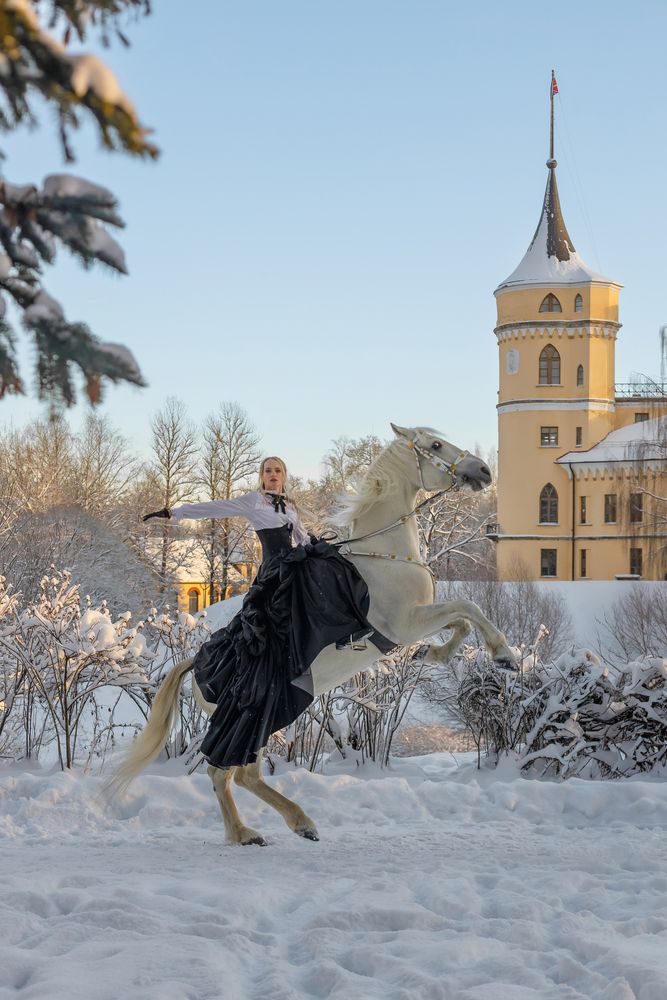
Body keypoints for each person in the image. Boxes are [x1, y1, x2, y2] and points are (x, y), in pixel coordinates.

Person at [142, 456, 377, 769]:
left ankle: (347, 633)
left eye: (278, 470)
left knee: (332, 570)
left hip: (294, 565)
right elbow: (216, 507)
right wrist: (175, 513)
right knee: (270, 627)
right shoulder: (253, 501)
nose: (273, 474)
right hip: (273, 574)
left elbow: (301, 538)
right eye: (268, 470)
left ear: (284, 475)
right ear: (262, 476)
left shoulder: (290, 505)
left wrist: (318, 545)